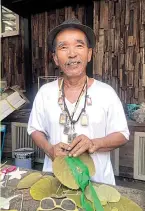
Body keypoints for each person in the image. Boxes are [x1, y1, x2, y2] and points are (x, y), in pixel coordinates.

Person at [27, 18, 130, 185]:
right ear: (55, 58)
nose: (72, 53)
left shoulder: (106, 93)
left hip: (98, 184)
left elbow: (122, 134)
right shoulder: (45, 93)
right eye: (63, 47)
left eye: (79, 45)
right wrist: (50, 149)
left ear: (89, 54)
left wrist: (95, 143)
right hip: (54, 182)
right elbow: (34, 129)